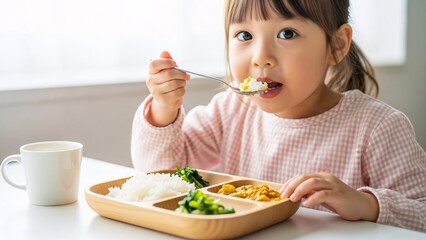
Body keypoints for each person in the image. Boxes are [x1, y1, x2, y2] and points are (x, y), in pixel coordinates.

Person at [131, 0, 426, 232]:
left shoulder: (378, 127)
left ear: (336, 45)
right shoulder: (231, 111)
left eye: (287, 33)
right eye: (244, 35)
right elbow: (158, 176)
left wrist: (367, 204)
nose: (261, 56)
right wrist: (164, 108)